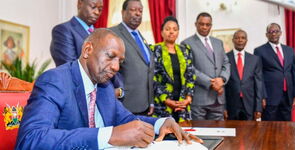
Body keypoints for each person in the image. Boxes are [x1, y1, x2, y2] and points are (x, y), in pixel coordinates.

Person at [15, 29, 202, 150]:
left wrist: (161, 124)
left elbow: (126, 120)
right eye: (110, 57)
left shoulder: (104, 86)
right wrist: (110, 135)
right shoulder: (55, 81)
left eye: (120, 62)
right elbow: (31, 140)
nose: (116, 67)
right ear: (88, 50)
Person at [50, 0, 124, 99]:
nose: (97, 12)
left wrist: (120, 90)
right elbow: (71, 67)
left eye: (100, 9)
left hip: (109, 99)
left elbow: (115, 67)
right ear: (80, 3)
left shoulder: (103, 35)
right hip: (80, 98)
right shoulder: (64, 30)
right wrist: (108, 93)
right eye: (93, 7)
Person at [181, 12, 230, 120]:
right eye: (201, 24)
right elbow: (189, 69)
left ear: (211, 26)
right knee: (200, 134)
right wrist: (211, 83)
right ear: (196, 24)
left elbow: (226, 63)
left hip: (219, 98)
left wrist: (222, 79)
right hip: (200, 99)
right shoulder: (186, 43)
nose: (204, 27)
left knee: (219, 133)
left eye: (207, 24)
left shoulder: (218, 42)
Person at [110, 0, 154, 115]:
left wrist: (151, 101)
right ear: (123, 12)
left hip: (144, 105)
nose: (138, 13)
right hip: (124, 104)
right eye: (133, 10)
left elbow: (147, 69)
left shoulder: (140, 36)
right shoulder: (113, 34)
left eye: (140, 10)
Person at [151, 16, 196, 123]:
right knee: (165, 135)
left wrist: (188, 99)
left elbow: (191, 76)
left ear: (178, 32)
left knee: (184, 135)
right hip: (163, 104)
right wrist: (166, 100)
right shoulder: (154, 50)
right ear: (162, 32)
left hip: (183, 103)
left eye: (174, 29)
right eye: (167, 29)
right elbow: (153, 79)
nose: (171, 32)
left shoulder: (185, 50)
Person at [254, 23, 295, 121]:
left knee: (287, 128)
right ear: (266, 35)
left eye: (276, 31)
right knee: (270, 130)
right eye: (270, 32)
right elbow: (259, 75)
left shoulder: (289, 50)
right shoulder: (259, 51)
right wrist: (262, 96)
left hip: (287, 96)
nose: (273, 34)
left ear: (280, 33)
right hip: (270, 97)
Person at [225, 30, 263, 120]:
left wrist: (258, 107)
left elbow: (258, 84)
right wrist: (223, 107)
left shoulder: (255, 59)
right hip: (231, 104)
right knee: (232, 131)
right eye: (237, 38)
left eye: (243, 38)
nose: (240, 40)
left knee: (250, 132)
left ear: (246, 41)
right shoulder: (225, 57)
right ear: (233, 40)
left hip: (249, 103)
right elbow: (223, 85)